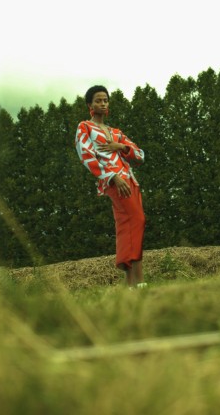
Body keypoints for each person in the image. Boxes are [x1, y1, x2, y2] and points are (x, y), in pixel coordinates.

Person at [75, 85, 147, 288]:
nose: (103, 104)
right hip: (115, 182)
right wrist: (112, 177)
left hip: (131, 180)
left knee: (129, 225)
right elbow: (86, 156)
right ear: (89, 105)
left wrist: (120, 146)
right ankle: (139, 281)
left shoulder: (116, 132)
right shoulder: (85, 127)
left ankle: (130, 284)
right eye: (98, 100)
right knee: (137, 220)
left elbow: (140, 155)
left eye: (105, 100)